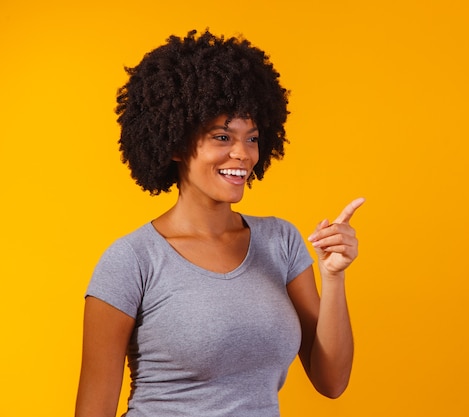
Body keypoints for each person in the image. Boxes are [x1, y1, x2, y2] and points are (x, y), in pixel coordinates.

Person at [75, 29, 364, 417]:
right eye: (223, 136)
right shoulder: (132, 261)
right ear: (176, 143)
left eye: (252, 139)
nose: (242, 154)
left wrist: (334, 278)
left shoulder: (281, 242)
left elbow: (332, 382)